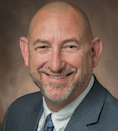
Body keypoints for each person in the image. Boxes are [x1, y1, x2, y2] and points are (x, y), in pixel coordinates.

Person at [2, 1, 118, 131]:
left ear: (94, 52)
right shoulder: (17, 112)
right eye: (43, 47)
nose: (55, 66)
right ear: (26, 52)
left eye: (70, 46)